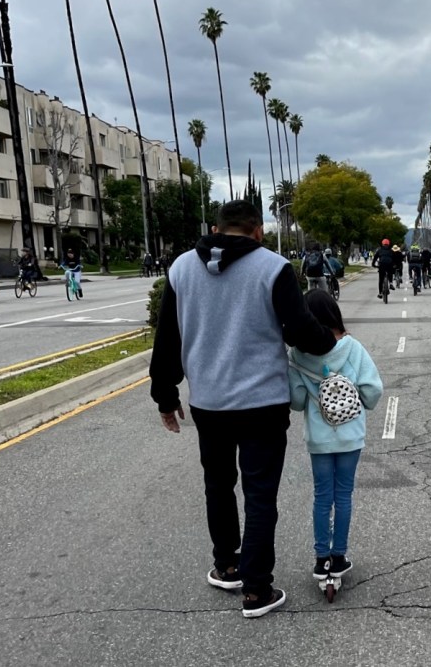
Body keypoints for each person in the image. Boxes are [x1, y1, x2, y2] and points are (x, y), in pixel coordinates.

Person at [150, 199, 338, 619]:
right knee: (259, 495)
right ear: (257, 231)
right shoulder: (272, 268)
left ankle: (227, 564)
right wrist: (331, 341)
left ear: (217, 229)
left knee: (218, 486)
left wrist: (165, 395)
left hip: (209, 403)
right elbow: (300, 329)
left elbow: (168, 338)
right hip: (262, 404)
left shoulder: (181, 268)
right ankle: (256, 589)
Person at [289, 290, 383, 587]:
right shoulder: (352, 348)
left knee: (321, 497)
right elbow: (372, 390)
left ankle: (321, 558)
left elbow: (296, 399)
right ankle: (339, 556)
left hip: (319, 439)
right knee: (343, 495)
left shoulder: (297, 356)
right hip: (350, 436)